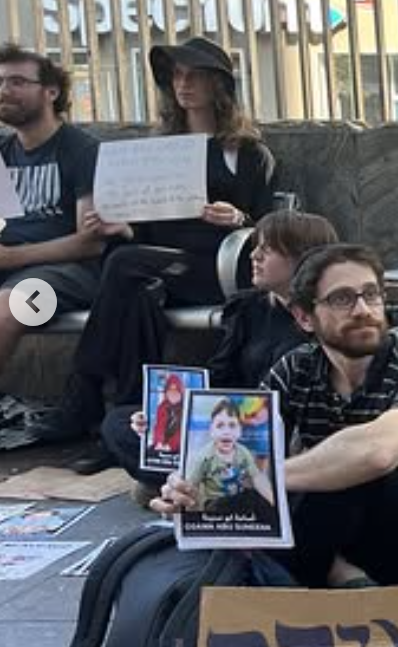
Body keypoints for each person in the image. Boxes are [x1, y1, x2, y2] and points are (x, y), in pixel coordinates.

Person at [151, 242, 398, 589]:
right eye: (342, 299)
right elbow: (239, 444)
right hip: (332, 531)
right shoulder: (296, 367)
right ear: (304, 317)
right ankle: (337, 574)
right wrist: (189, 484)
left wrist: (249, 477)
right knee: (287, 472)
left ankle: (327, 574)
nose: (364, 309)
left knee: (361, 464)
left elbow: (378, 453)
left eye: (371, 294)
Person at [30, 37, 277, 445]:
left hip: (217, 266)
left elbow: (268, 223)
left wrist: (238, 217)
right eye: (178, 76)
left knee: (127, 265)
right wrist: (121, 227)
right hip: (162, 263)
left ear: (219, 85)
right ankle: (127, 424)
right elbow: (146, 228)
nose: (184, 85)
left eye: (195, 76)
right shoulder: (161, 150)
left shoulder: (246, 151)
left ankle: (84, 394)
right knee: (138, 293)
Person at [102, 209, 340, 496]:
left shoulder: (323, 318)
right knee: (120, 423)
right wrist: (167, 416)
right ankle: (190, 481)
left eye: (268, 249)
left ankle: (184, 484)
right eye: (255, 248)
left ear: (301, 258)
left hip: (280, 439)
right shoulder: (248, 308)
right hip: (224, 426)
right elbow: (218, 378)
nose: (255, 257)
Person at [0, 45, 105, 382]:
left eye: (17, 82)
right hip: (12, 271)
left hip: (71, 281)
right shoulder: (2, 152)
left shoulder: (83, 150)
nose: (4, 90)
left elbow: (90, 244)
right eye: (0, 81)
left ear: (51, 92)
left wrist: (12, 257)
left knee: (9, 308)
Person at [184, 397, 273, 514]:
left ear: (239, 431)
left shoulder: (243, 452)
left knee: (252, 498)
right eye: (220, 426)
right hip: (213, 504)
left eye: (232, 426)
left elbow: (256, 477)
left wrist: (273, 500)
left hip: (238, 501)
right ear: (211, 431)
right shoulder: (204, 457)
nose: (226, 431)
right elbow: (190, 486)